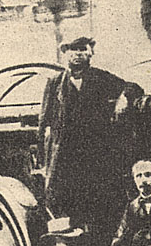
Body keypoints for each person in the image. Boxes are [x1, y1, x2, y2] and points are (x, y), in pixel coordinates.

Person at [38, 36, 143, 234]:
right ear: (66, 53)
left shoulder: (101, 78)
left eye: (82, 49)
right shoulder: (54, 83)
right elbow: (44, 122)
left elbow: (133, 87)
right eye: (73, 49)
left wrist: (123, 98)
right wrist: (44, 161)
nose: (78, 54)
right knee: (68, 207)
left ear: (90, 53)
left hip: (95, 155)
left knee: (97, 205)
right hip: (66, 157)